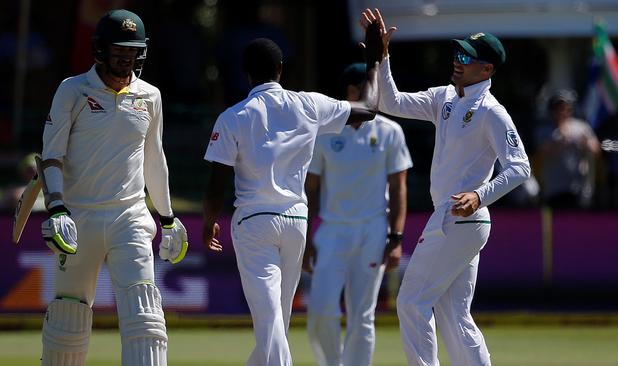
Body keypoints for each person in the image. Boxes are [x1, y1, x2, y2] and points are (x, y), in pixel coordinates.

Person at [361, 9, 531, 366]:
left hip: (461, 216)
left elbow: (520, 167)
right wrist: (382, 57)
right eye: (457, 54)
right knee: (454, 314)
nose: (458, 61)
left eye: (467, 58)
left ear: (487, 70)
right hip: (456, 218)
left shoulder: (491, 111)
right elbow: (389, 102)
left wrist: (480, 194)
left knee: (411, 301)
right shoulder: (445, 97)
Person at [202, 34, 381, 366]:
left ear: (245, 72)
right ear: (281, 70)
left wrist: (209, 220)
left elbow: (218, 181)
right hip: (296, 221)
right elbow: (369, 109)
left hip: (254, 222)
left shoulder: (233, 116)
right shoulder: (309, 104)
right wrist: (374, 61)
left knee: (271, 322)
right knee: (276, 322)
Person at [37, 9, 188, 366]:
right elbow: (51, 156)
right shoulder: (73, 90)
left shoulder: (150, 95)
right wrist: (57, 208)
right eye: (120, 49)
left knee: (145, 314)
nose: (127, 58)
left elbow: (155, 159)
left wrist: (167, 217)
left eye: (133, 51)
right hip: (79, 218)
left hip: (130, 216)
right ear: (101, 49)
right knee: (67, 320)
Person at [303, 62, 413, 366]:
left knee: (362, 315)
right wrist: (306, 237)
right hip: (332, 231)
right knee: (322, 311)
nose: (376, 97)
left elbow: (399, 187)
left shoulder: (390, 132)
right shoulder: (325, 132)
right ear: (352, 91)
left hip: (373, 230)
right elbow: (310, 189)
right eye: (369, 89)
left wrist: (396, 238)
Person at [536, 89, 601, 209]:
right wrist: (558, 140)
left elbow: (596, 150)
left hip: (578, 189)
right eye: (558, 108)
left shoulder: (582, 128)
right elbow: (540, 154)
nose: (562, 112)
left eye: (566, 108)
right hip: (553, 189)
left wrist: (587, 145)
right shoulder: (545, 130)